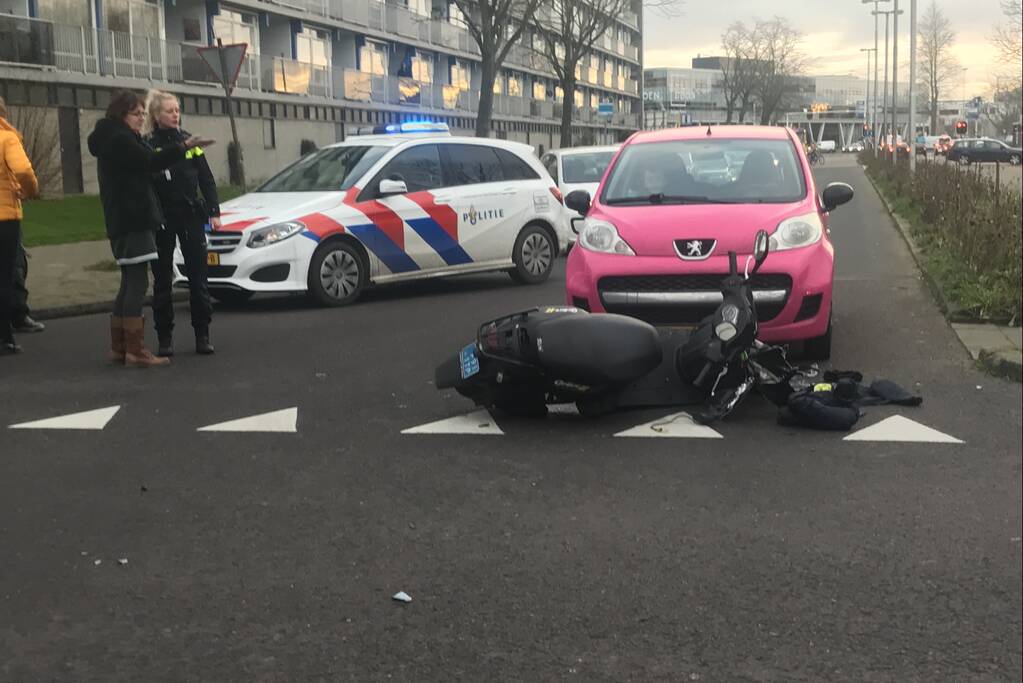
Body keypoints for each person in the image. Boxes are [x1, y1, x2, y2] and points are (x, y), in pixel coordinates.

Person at [87, 89, 212, 368]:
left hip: (123, 219)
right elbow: (150, 162)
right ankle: (135, 350)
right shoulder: (120, 139)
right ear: (122, 114)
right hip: (134, 219)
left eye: (143, 113)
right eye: (136, 114)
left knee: (128, 281)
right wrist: (185, 146)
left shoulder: (113, 138)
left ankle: (120, 347)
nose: (141, 118)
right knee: (138, 283)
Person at [144, 90, 220, 356]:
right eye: (169, 111)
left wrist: (214, 211)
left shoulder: (191, 142)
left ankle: (202, 334)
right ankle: (165, 338)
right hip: (163, 218)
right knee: (162, 280)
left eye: (177, 110)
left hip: (190, 215)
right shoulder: (149, 145)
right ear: (156, 115)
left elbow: (206, 178)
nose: (175, 115)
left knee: (198, 277)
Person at [0, 96, 40, 356]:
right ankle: (4, 337)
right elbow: (23, 170)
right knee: (4, 276)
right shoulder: (7, 138)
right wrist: (29, 190)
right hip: (5, 217)